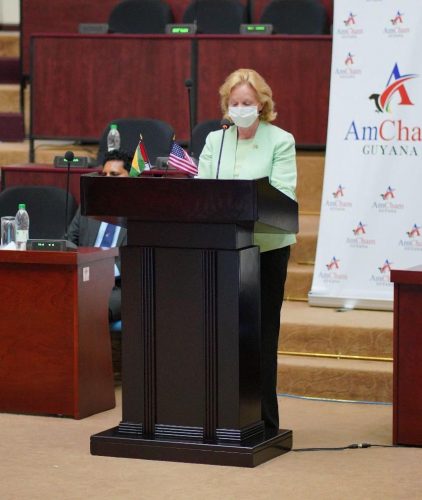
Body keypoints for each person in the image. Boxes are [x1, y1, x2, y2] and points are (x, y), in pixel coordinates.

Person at [197, 68, 297, 433]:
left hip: (266, 250)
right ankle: (222, 416)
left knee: (260, 334)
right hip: (223, 250)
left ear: (262, 105)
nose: (240, 108)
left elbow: (283, 196)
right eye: (234, 103)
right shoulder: (215, 141)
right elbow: (201, 190)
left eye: (247, 103)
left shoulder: (281, 140)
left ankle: (265, 421)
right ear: (226, 106)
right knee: (221, 332)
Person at [67, 149, 133, 322]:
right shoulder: (89, 206)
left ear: (131, 177)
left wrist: (102, 271)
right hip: (83, 279)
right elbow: (69, 242)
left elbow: (136, 258)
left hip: (118, 287)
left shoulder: (140, 213)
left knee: (89, 309)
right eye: (105, 174)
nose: (107, 179)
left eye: (115, 174)